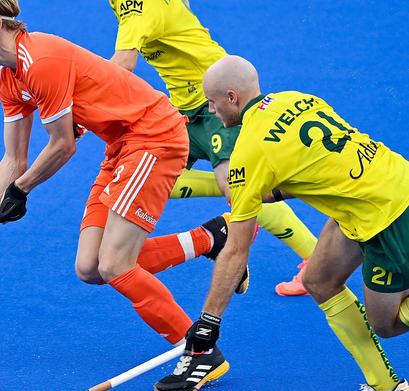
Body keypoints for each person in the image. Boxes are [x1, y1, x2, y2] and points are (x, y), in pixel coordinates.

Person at [0, 0, 244, 386]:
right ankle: (212, 238)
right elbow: (12, 160)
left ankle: (199, 350)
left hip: (153, 136)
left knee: (115, 263)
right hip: (122, 144)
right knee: (91, 267)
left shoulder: (41, 61)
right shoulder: (10, 79)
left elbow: (62, 146)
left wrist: (23, 189)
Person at [65, 0, 316, 298]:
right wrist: (183, 13)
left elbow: (123, 66)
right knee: (155, 182)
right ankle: (226, 219)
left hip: (215, 102)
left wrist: (78, 115)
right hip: (181, 107)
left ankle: (314, 260)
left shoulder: (133, 0)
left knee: (238, 193)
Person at [162, 54, 409, 390]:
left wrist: (208, 323)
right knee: (319, 280)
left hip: (388, 217)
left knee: (388, 324)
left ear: (231, 97)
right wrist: (256, 191)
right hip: (383, 184)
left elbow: (236, 250)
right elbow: (314, 167)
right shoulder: (297, 98)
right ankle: (386, 385)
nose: (211, 111)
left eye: (213, 102)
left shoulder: (249, 152)